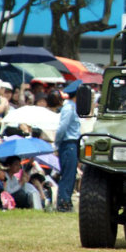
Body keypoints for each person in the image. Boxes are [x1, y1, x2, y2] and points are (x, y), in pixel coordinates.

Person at [55, 80, 82, 212]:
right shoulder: (69, 108)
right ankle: (63, 203)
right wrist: (57, 143)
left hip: (72, 144)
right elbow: (62, 128)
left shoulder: (73, 107)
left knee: (71, 175)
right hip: (68, 144)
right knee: (67, 175)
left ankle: (66, 201)